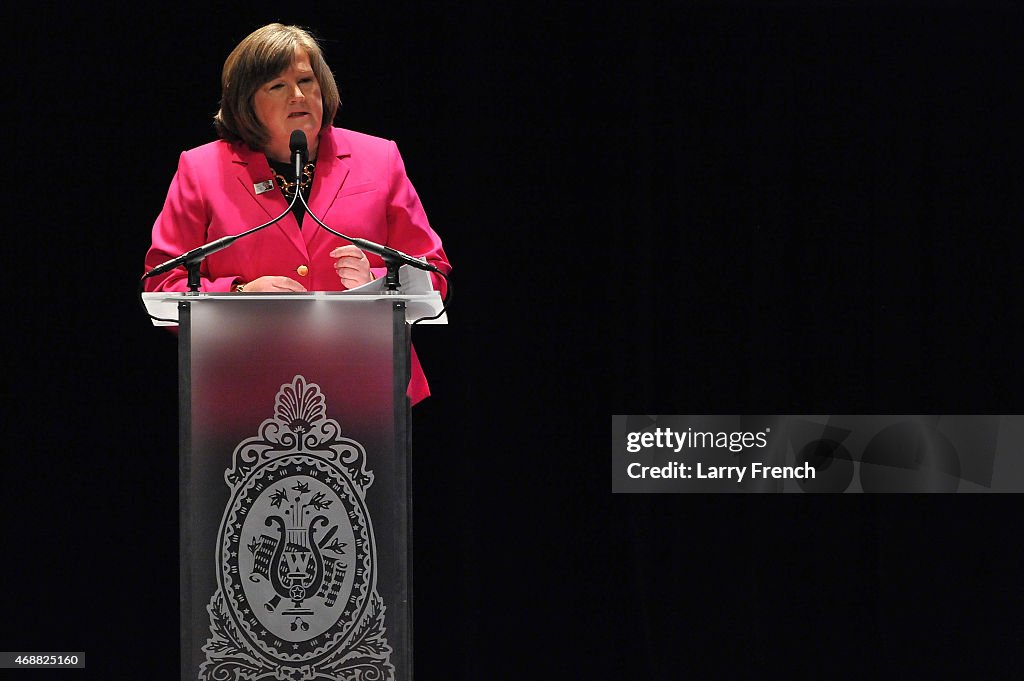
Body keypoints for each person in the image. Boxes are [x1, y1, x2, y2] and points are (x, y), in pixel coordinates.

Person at [144, 23, 450, 403]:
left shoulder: (379, 158)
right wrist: (237, 295)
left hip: (368, 385)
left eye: (307, 81)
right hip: (243, 388)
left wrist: (378, 280)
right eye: (277, 86)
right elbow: (162, 284)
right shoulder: (202, 169)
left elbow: (434, 272)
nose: (298, 95)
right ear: (246, 102)